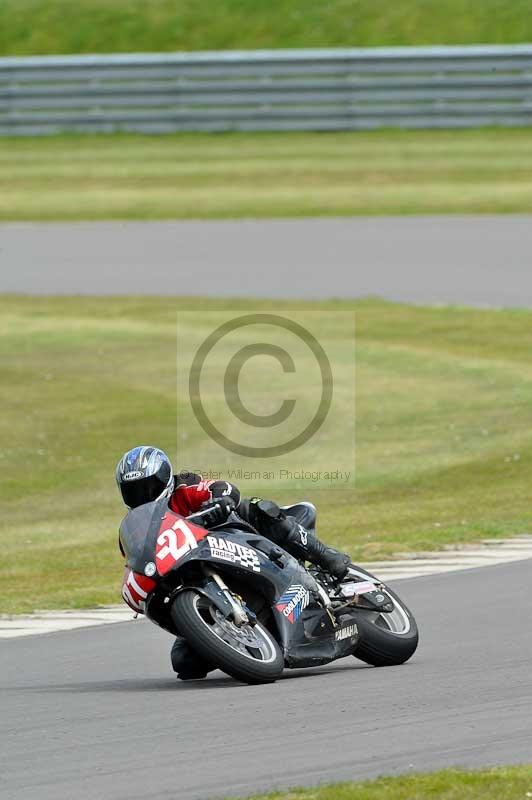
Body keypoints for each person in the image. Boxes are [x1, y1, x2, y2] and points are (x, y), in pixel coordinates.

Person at [116, 445, 351, 680]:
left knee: (258, 507)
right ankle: (244, 634)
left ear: (165, 478)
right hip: (192, 575)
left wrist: (221, 501)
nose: (142, 494)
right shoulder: (138, 525)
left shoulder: (184, 485)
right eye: (133, 490)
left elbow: (221, 487)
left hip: (232, 537)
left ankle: (325, 556)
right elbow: (137, 559)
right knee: (184, 663)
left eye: (148, 486)